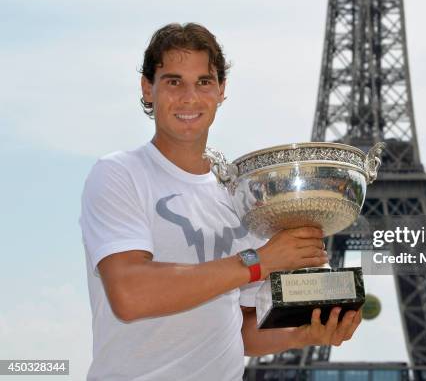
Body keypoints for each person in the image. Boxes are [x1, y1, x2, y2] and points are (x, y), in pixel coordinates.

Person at [79, 22, 362, 381]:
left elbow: (237, 328)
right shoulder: (119, 174)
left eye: (204, 82)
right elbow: (130, 292)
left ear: (221, 91)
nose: (189, 97)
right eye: (173, 81)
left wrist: (304, 333)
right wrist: (259, 261)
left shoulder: (239, 194)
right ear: (147, 88)